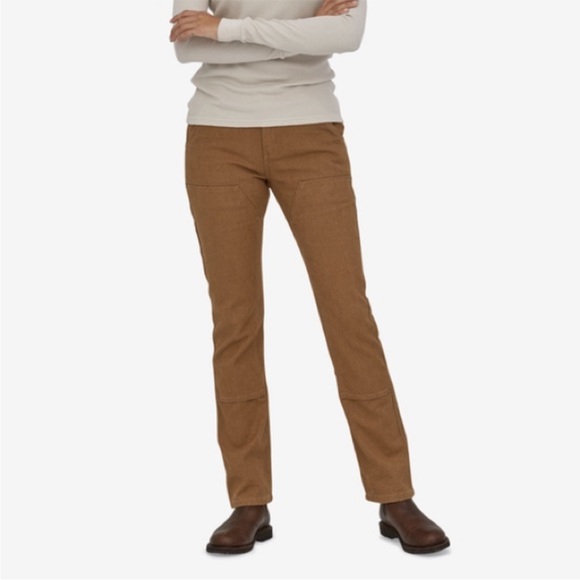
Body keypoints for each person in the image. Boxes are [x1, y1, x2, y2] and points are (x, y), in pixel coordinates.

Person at [169, 0, 450, 556]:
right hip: (218, 135)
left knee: (348, 314)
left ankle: (395, 495)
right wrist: (300, 34)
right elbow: (187, 46)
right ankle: (248, 501)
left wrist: (228, 30)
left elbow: (346, 36)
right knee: (235, 321)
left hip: (310, 133)